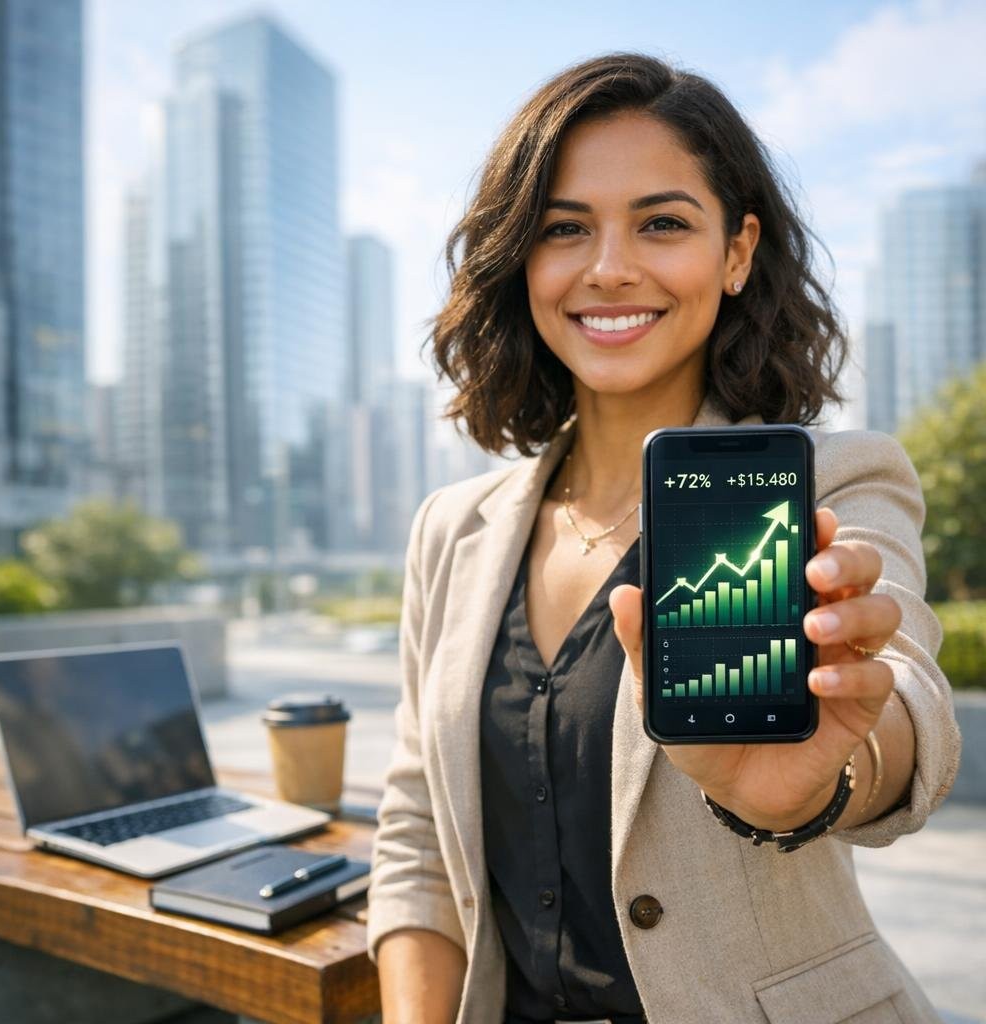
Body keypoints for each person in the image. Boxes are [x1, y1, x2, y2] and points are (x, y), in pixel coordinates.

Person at [365, 52, 961, 1024]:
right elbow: (418, 834)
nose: (608, 266)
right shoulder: (451, 530)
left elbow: (906, 698)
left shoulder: (831, 479)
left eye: (662, 222)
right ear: (521, 261)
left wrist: (820, 776)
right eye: (563, 229)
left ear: (736, 252)